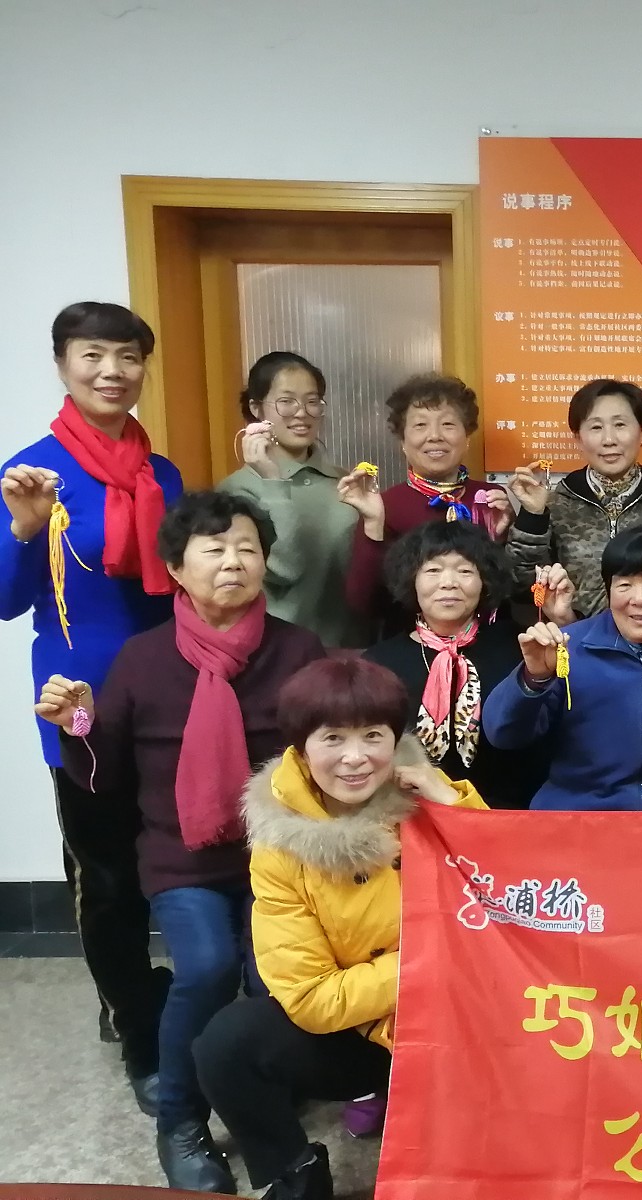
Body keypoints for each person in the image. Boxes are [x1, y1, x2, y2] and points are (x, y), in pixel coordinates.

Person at [36, 491, 324, 1191]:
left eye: (248, 548)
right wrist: (78, 727)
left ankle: (257, 1092)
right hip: (181, 856)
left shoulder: (297, 649)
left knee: (274, 976)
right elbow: (102, 775)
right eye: (214, 550)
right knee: (206, 966)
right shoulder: (142, 658)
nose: (234, 562)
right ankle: (179, 1119)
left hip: (279, 855)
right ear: (175, 568)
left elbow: (329, 749)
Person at [194, 657, 485, 1200]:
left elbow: (513, 897)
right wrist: (429, 961)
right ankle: (295, 1175)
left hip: (467, 1014)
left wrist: (457, 809)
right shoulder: (281, 845)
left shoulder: (426, 793)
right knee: (228, 1045)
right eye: (332, 738)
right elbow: (309, 996)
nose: (355, 757)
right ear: (303, 749)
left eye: (373, 735)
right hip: (370, 1028)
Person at [1, 301, 181, 1110]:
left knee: (166, 856)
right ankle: (137, 1030)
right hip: (79, 699)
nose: (112, 370)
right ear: (62, 364)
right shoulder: (30, 471)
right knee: (105, 875)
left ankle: (146, 994)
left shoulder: (161, 474)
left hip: (166, 696)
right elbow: (4, 602)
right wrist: (23, 529)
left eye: (128, 356)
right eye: (93, 354)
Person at [484, 524, 642, 810]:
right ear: (608, 590)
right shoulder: (569, 646)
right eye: (624, 585)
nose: (639, 600)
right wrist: (534, 679)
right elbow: (502, 734)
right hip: (577, 814)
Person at [364, 520, 543, 810]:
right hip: (409, 810)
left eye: (464, 571)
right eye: (433, 570)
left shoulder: (519, 647)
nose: (449, 582)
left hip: (504, 810)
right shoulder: (379, 663)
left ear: (485, 581)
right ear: (411, 579)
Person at [504, 377, 642, 622]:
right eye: (596, 427)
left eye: (620, 424)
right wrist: (533, 516)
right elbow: (523, 584)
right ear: (578, 438)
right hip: (574, 639)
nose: (609, 439)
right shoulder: (554, 505)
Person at [218, 351, 370, 648]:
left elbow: (367, 578)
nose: (302, 413)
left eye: (312, 401)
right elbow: (284, 569)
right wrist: (273, 482)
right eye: (286, 401)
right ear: (256, 408)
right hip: (277, 652)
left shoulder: (346, 482)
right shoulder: (236, 490)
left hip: (353, 650)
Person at [339, 373, 510, 634]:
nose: (435, 436)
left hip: (487, 642)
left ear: (467, 437)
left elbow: (512, 589)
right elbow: (365, 604)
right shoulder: (385, 505)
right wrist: (373, 523)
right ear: (403, 442)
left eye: (448, 424)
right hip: (410, 645)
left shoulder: (491, 498)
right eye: (420, 425)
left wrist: (503, 538)